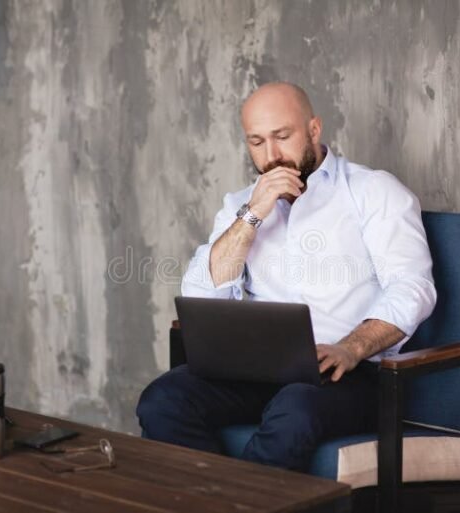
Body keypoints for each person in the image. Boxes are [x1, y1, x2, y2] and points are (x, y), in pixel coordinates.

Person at [136, 82, 436, 472]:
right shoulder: (240, 205)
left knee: (294, 408)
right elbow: (201, 296)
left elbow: (413, 287)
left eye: (282, 136)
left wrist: (352, 346)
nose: (272, 155)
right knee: (163, 399)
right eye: (257, 142)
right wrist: (254, 212)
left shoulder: (372, 191)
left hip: (349, 373)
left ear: (314, 129)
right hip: (257, 371)